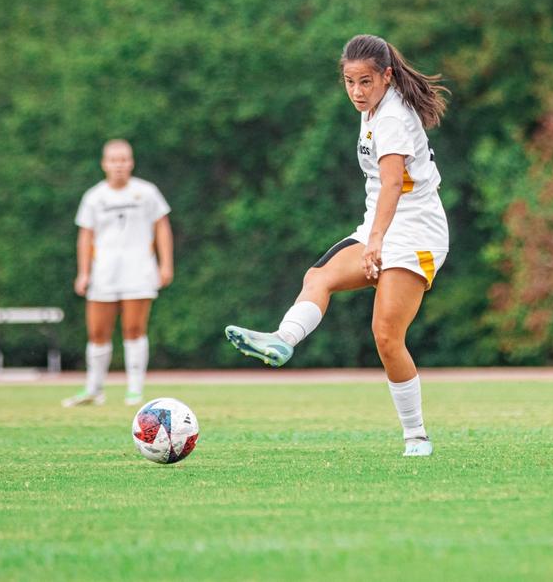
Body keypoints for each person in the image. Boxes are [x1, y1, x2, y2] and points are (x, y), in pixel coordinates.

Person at [225, 34, 450, 457]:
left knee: (386, 336)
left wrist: (377, 241)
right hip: (378, 226)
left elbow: (390, 184)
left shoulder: (393, 118)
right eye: (349, 82)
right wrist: (374, 235)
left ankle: (416, 436)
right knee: (319, 277)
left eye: (365, 82)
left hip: (417, 231)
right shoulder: (373, 108)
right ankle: (282, 340)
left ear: (386, 76)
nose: (356, 92)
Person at [62, 139, 174, 407]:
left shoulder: (147, 192)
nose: (119, 165)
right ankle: (93, 389)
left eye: (124, 159)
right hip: (105, 273)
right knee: (98, 332)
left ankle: (134, 390)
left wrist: (165, 264)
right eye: (114, 160)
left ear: (131, 162)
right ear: (104, 164)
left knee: (134, 329)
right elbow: (85, 236)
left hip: (139, 270)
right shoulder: (94, 196)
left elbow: (162, 228)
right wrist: (83, 272)